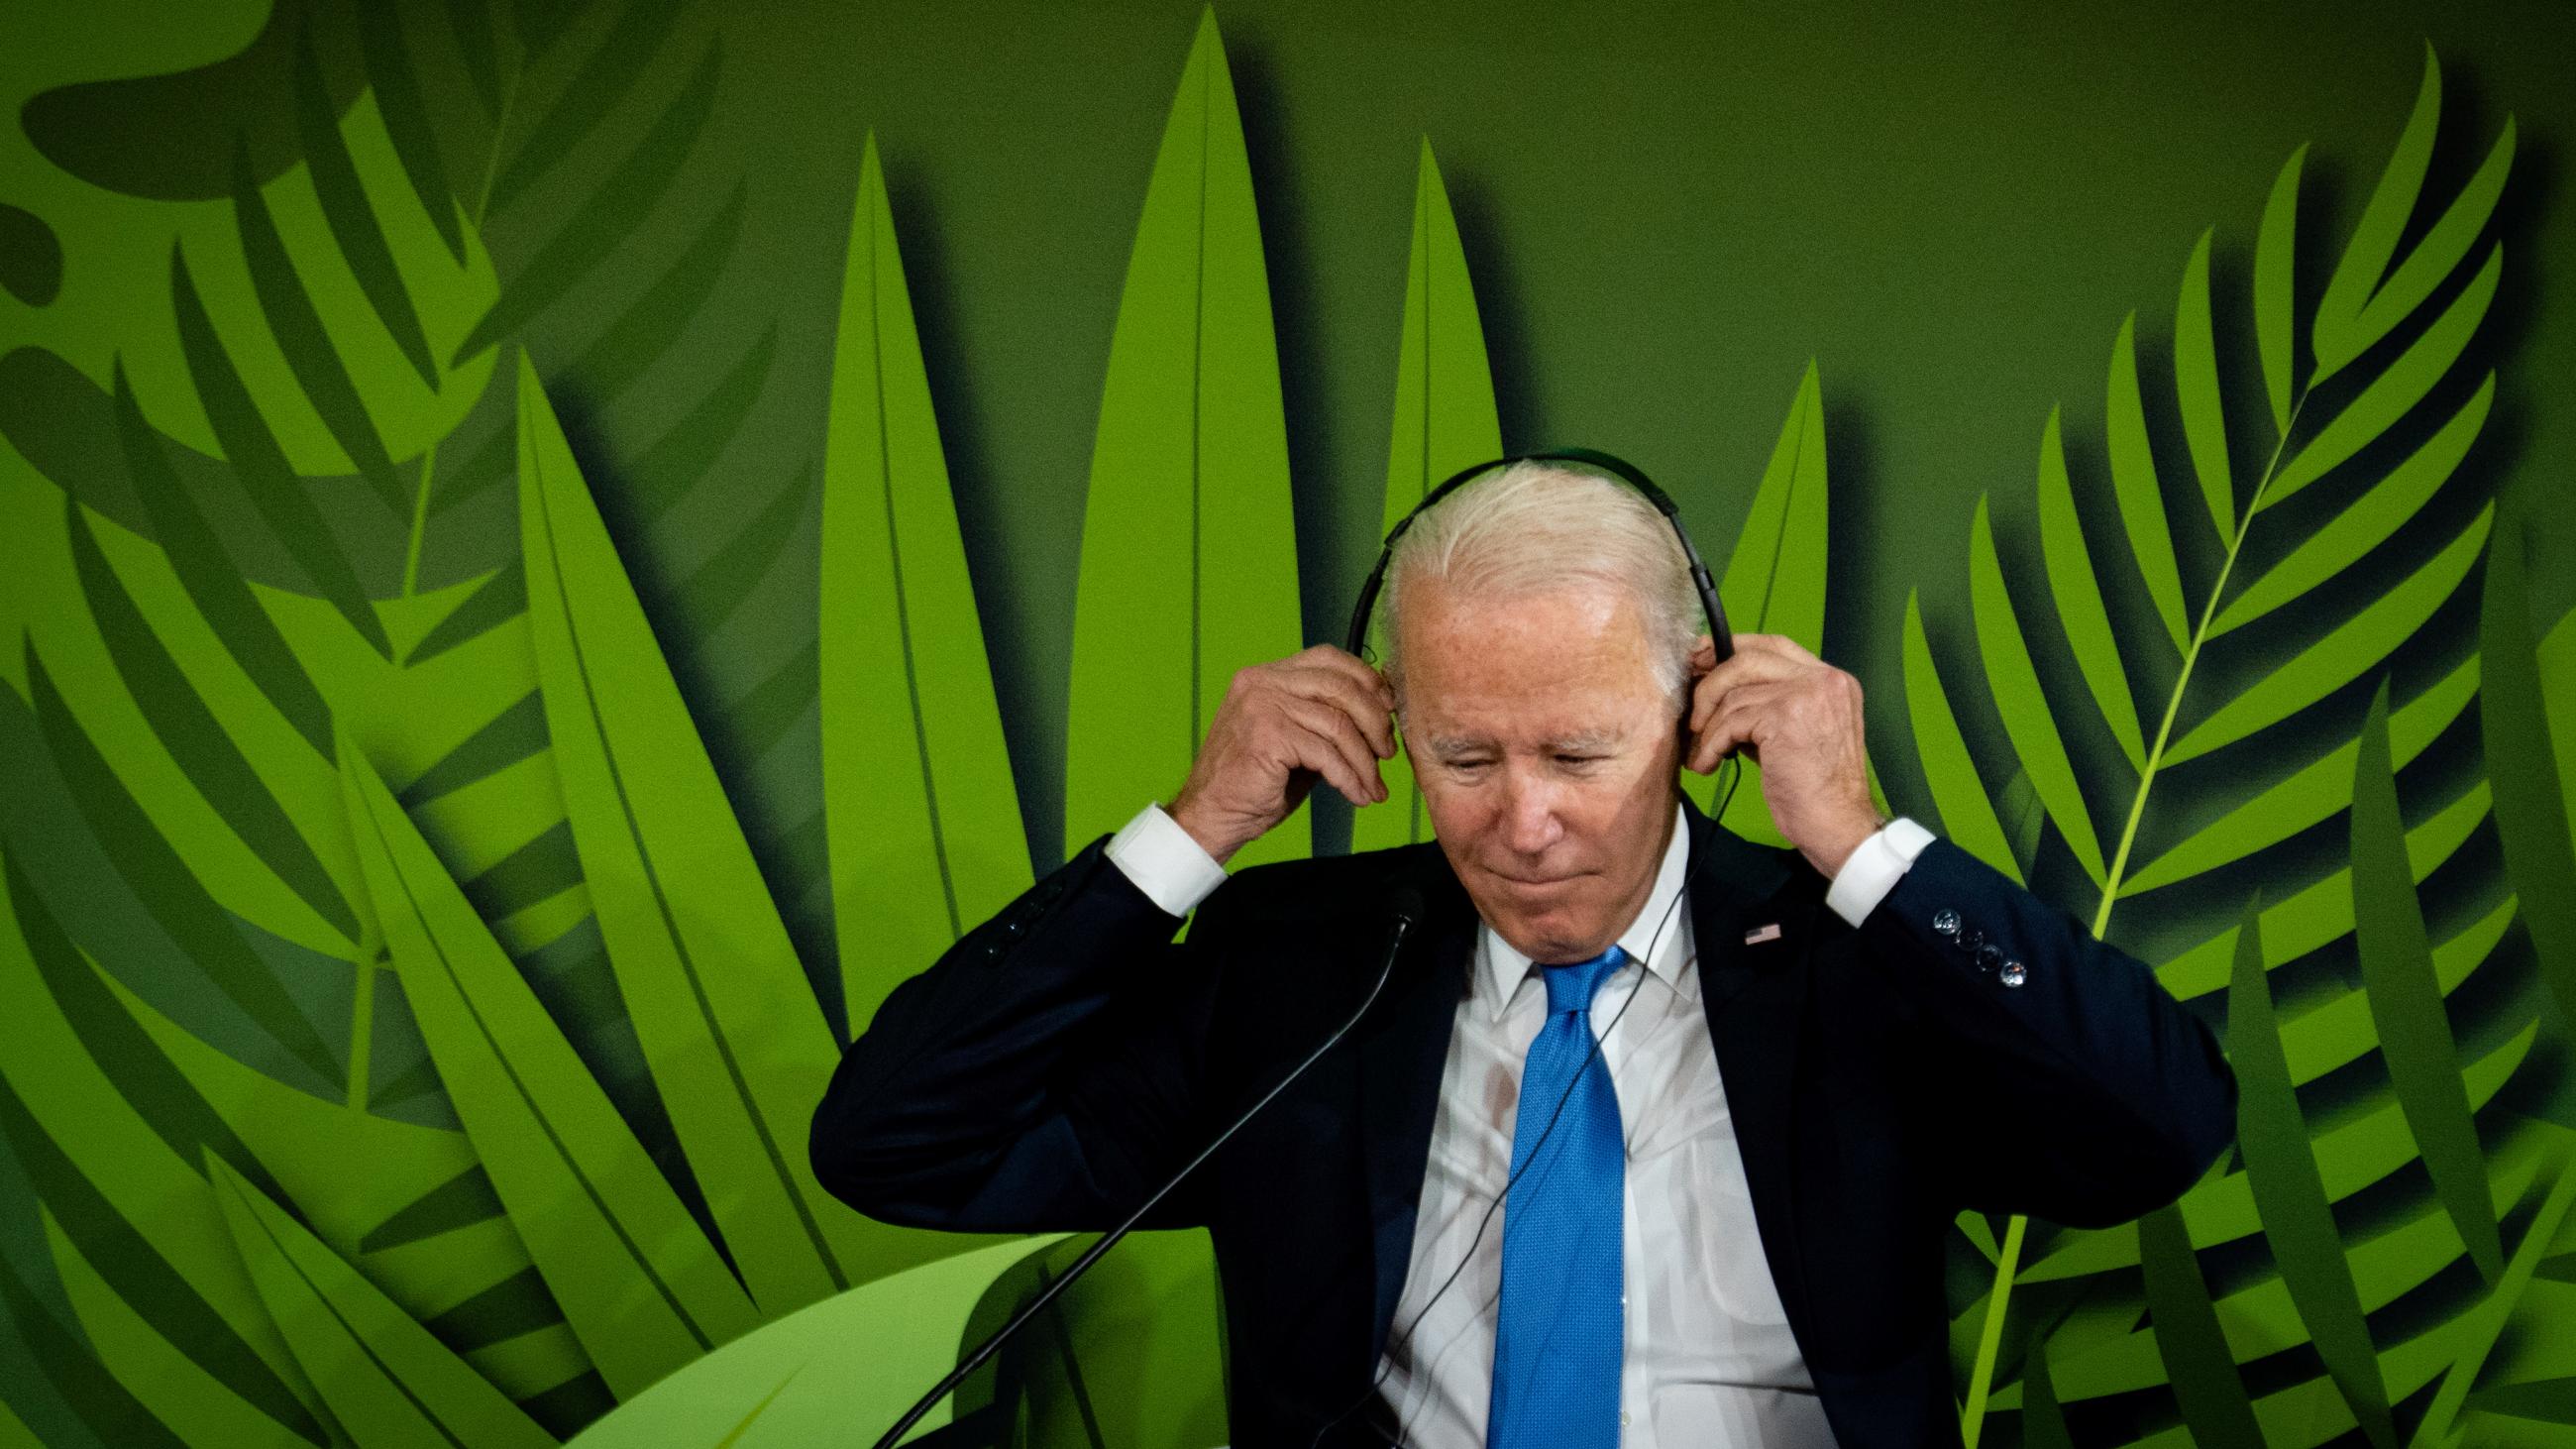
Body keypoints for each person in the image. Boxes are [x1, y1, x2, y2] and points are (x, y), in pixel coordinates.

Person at [809, 460, 2237, 1448]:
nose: (1525, 820)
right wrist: (1193, 827)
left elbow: (2162, 1130)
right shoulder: (1300, 973)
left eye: (1578, 750)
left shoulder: (1847, 961)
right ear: (1389, 719)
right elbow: (897, 1141)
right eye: (1466, 752)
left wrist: (1861, 843)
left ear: (1697, 713)